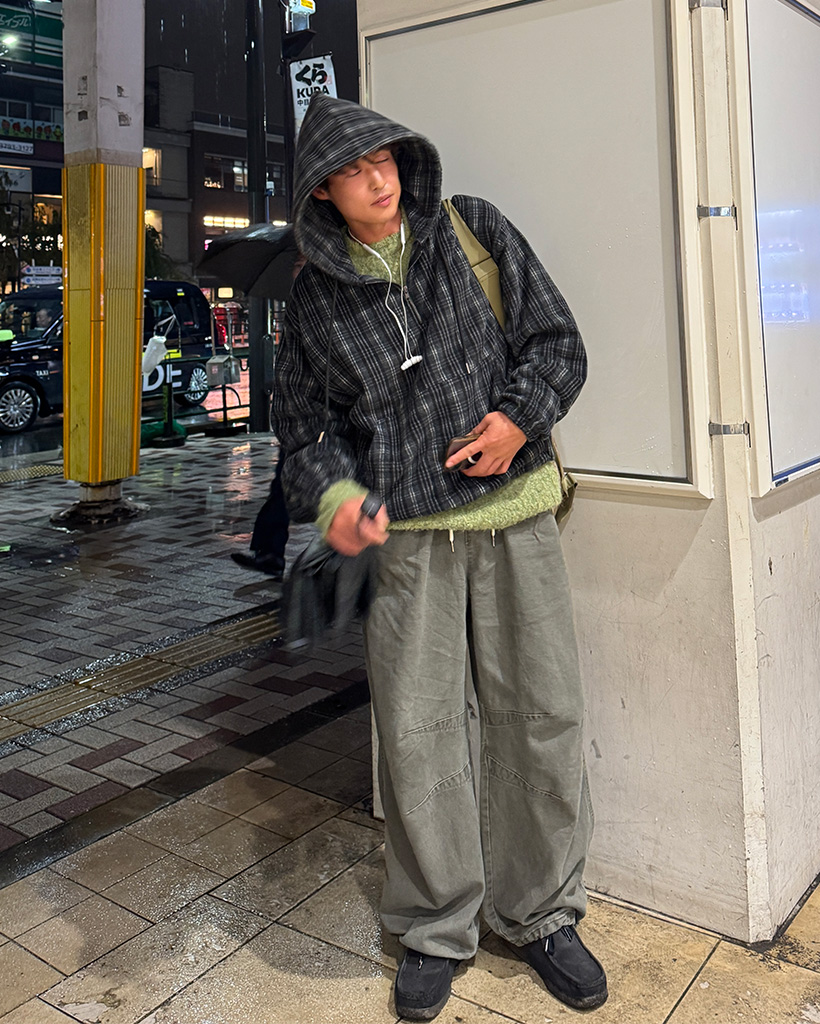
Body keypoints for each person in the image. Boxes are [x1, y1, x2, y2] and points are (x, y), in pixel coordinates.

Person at [273, 94, 606, 1020]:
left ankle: (543, 914)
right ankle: (433, 925)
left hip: (515, 518)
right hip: (408, 545)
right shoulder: (313, 299)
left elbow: (558, 344)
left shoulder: (471, 230)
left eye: (383, 159)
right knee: (417, 734)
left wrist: (517, 421)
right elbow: (303, 435)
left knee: (542, 714)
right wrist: (336, 500)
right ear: (323, 192)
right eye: (352, 171)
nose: (375, 180)